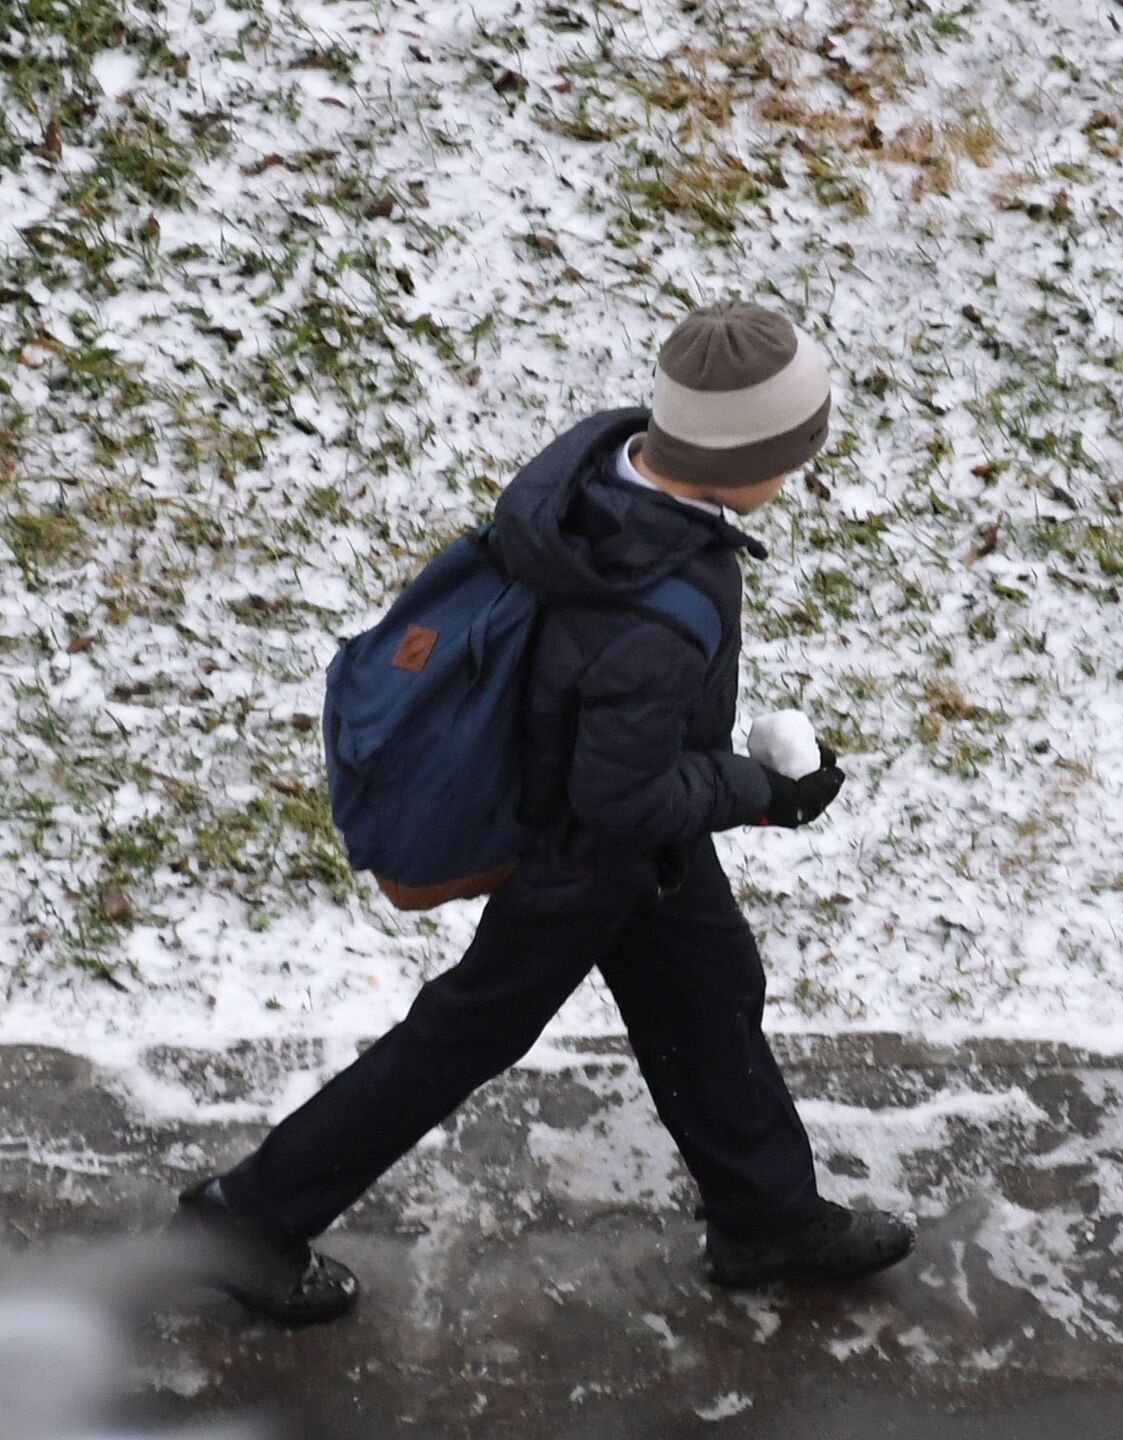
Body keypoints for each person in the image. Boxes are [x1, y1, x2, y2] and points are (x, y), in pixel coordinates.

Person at [168, 303, 914, 1325]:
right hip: (588, 851)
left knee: (709, 987)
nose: (796, 475)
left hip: (629, 837)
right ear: (736, 457)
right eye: (791, 453)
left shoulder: (610, 484)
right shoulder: (655, 608)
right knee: (467, 1032)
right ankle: (245, 1221)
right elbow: (621, 795)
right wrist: (765, 794)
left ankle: (767, 1215)